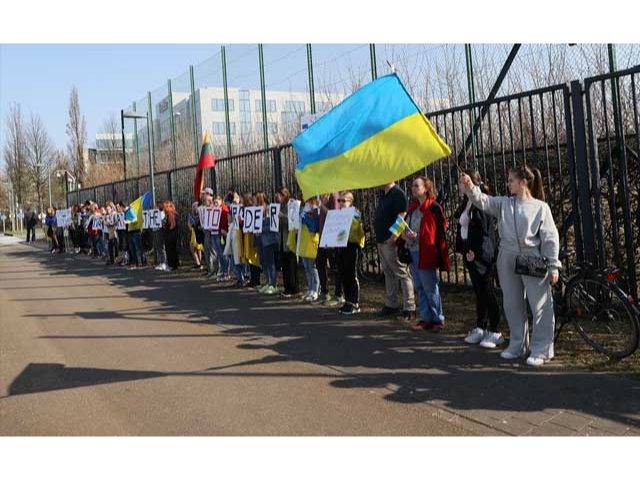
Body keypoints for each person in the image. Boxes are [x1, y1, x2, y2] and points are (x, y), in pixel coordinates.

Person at [459, 165, 561, 367]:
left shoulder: (541, 207)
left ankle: (542, 349)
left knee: (540, 305)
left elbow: (550, 237)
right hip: (506, 255)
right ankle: (517, 344)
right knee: (512, 303)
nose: (508, 183)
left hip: (532, 256)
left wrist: (553, 265)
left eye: (511, 180)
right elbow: (483, 201)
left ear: (524, 182)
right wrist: (471, 187)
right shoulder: (505, 203)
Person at [455, 171, 503, 348]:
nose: (459, 186)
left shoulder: (482, 202)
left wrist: (476, 252)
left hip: (482, 255)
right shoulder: (467, 202)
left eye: (462, 183)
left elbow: (484, 231)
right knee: (479, 292)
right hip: (470, 253)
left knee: (487, 291)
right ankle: (481, 326)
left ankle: (495, 329)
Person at [400, 176, 450, 332]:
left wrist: (420, 236)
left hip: (426, 252)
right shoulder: (412, 209)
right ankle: (426, 318)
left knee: (430, 287)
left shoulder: (433, 207)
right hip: (413, 252)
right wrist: (404, 235)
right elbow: (403, 228)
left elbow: (441, 228)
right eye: (412, 186)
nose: (413, 188)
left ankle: (438, 319)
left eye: (417, 185)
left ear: (426, 188)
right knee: (420, 287)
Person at [374, 182, 416, 320]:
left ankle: (409, 307)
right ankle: (391, 304)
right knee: (388, 272)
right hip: (382, 239)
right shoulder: (384, 195)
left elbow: (402, 216)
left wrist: (394, 236)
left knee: (402, 272)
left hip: (390, 240)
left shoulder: (397, 193)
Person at [335, 192, 365, 315]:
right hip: (341, 247)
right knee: (343, 274)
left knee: (351, 274)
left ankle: (354, 302)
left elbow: (355, 233)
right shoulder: (338, 215)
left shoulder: (355, 215)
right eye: (339, 201)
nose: (341, 203)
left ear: (350, 202)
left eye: (344, 201)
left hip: (351, 246)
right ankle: (347, 301)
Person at [315, 193, 344, 306]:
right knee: (320, 262)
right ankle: (325, 292)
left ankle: (339, 294)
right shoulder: (324, 196)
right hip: (323, 237)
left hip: (332, 237)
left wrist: (321, 206)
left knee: (335, 266)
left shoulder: (334, 196)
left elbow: (335, 215)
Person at [275, 187, 299, 298]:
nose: (277, 198)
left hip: (289, 239)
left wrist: (282, 217)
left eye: (279, 195)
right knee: (284, 265)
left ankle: (293, 288)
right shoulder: (280, 206)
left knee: (290, 265)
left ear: (284, 195)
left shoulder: (291, 205)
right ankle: (287, 287)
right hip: (282, 239)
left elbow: (292, 220)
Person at [255, 191, 280, 294]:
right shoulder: (256, 210)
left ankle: (273, 284)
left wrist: (260, 229)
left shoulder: (269, 209)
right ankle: (268, 281)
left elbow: (272, 225)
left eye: (255, 198)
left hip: (269, 240)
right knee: (263, 262)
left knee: (270, 263)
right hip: (260, 240)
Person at [299, 197, 321, 302]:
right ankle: (310, 288)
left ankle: (315, 290)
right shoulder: (303, 209)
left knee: (313, 268)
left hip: (311, 242)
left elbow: (314, 226)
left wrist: (306, 217)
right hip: (304, 242)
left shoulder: (316, 209)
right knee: (307, 267)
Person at [162, 200, 180, 271]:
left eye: (165, 207)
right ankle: (174, 264)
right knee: (172, 250)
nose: (163, 209)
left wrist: (166, 229)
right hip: (170, 235)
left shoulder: (171, 214)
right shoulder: (169, 214)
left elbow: (172, 225)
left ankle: (172, 265)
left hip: (170, 236)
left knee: (170, 250)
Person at [152, 201, 168, 271]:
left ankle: (164, 262)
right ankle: (161, 262)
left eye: (156, 206)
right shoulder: (154, 213)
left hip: (159, 231)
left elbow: (161, 222)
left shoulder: (161, 213)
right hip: (155, 230)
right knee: (158, 247)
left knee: (161, 247)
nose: (154, 207)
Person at [188, 201, 204, 270]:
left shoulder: (192, 215)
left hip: (195, 233)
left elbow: (189, 225)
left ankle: (198, 263)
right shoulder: (201, 214)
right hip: (198, 232)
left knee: (193, 248)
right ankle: (199, 263)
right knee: (198, 249)